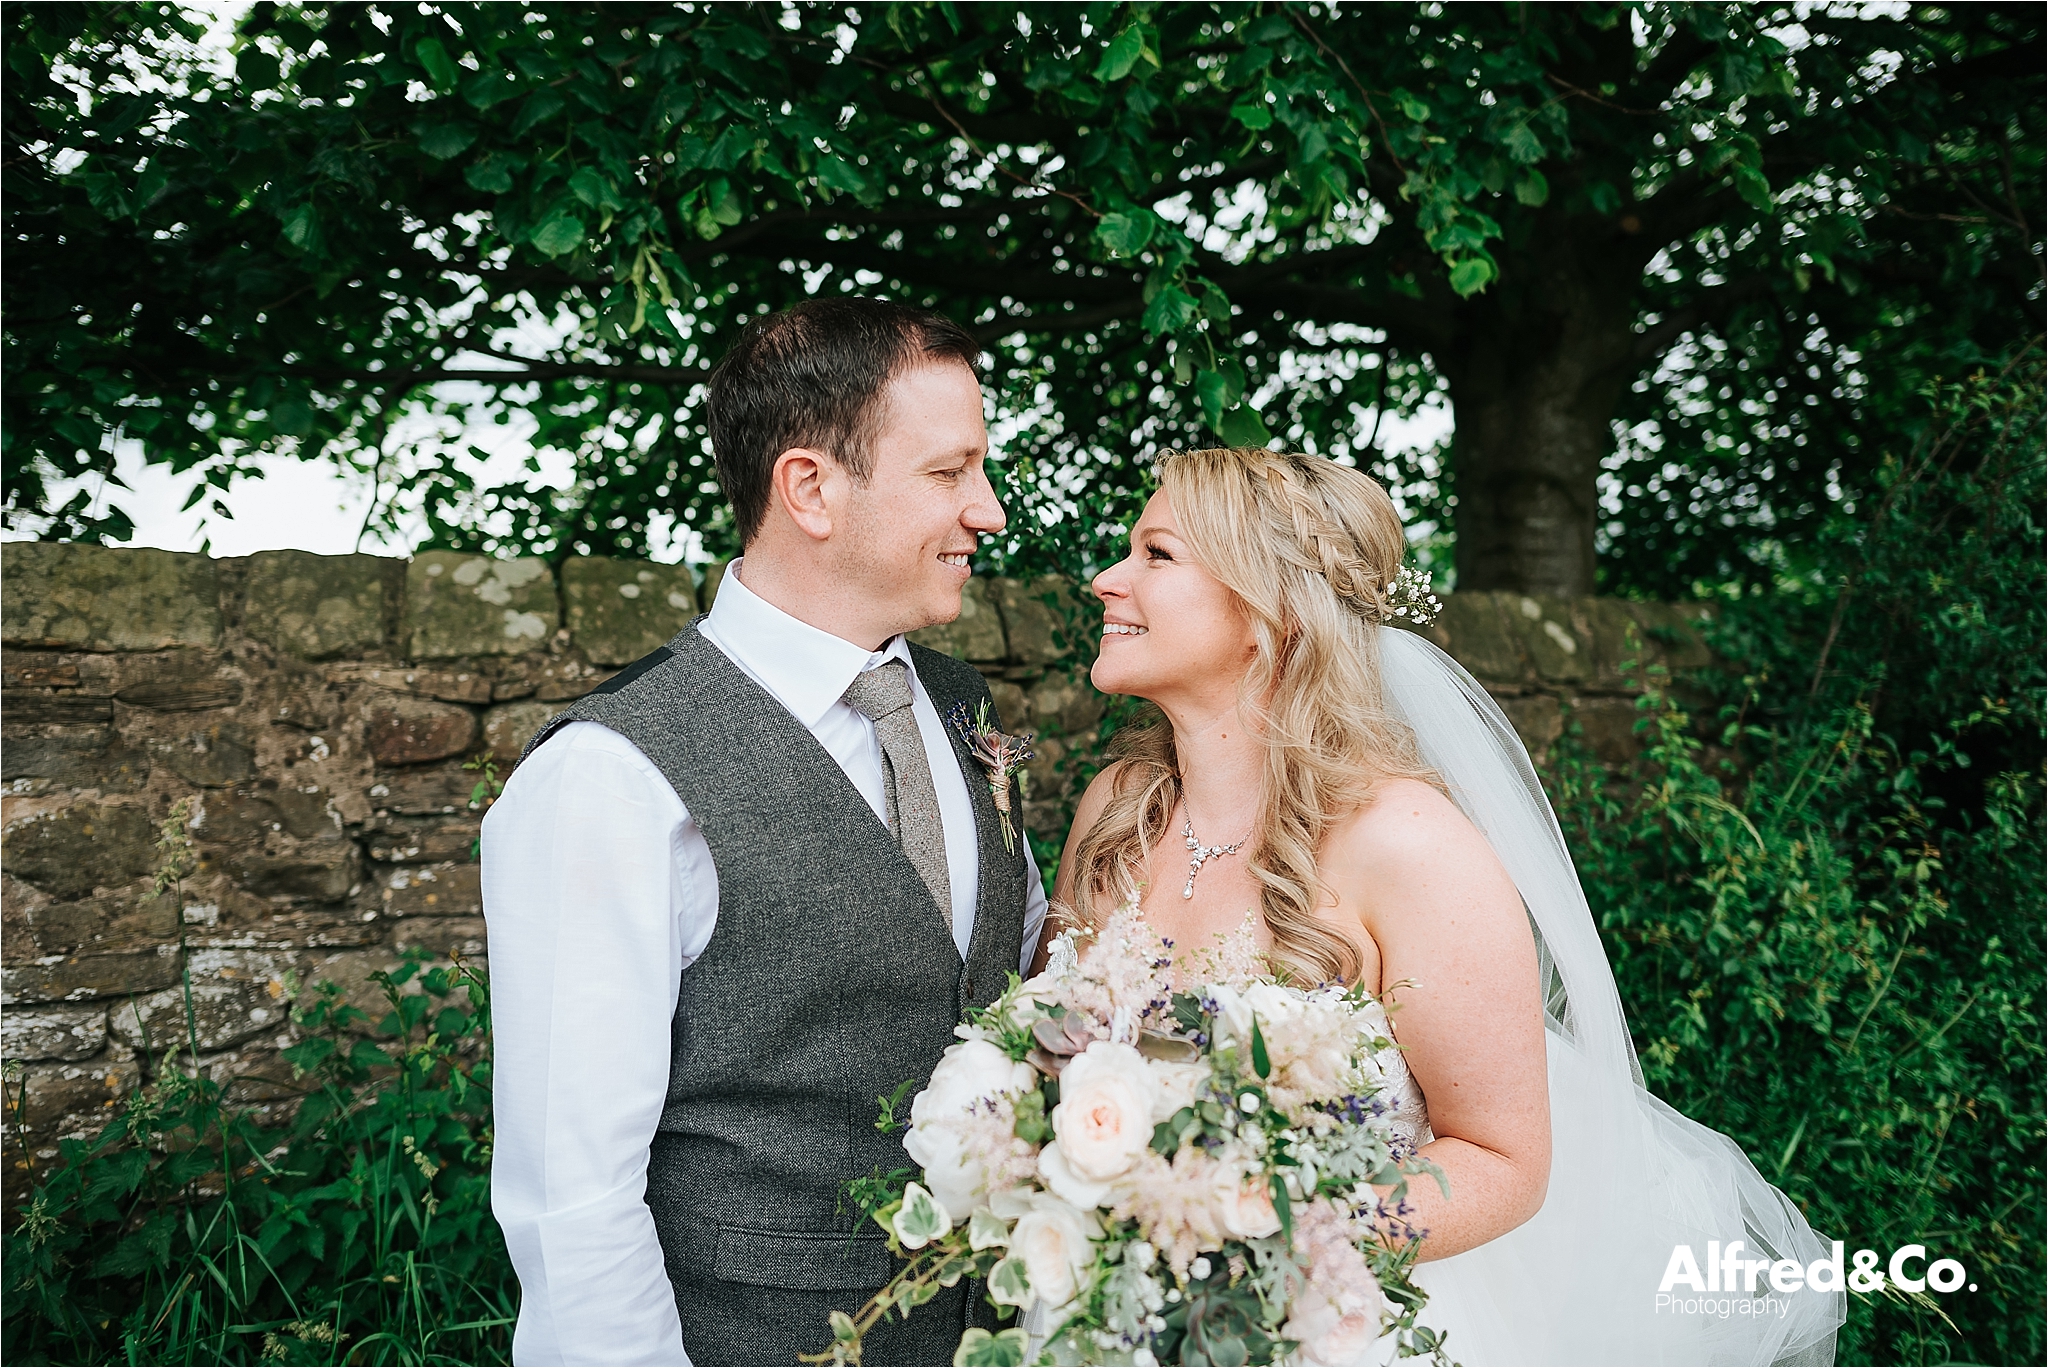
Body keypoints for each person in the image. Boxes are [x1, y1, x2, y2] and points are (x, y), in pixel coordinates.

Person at [1044, 446, 1846, 1365]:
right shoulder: (1115, 811)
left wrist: (1269, 1240)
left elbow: (1503, 1162)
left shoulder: (1409, 846)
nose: (1107, 580)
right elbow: (1045, 1050)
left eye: (1157, 555)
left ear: (1268, 615)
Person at [482, 297, 1048, 1366]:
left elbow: (998, 978)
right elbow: (572, 1201)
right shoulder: (609, 776)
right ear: (810, 488)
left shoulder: (958, 701)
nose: (988, 511)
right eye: (947, 473)